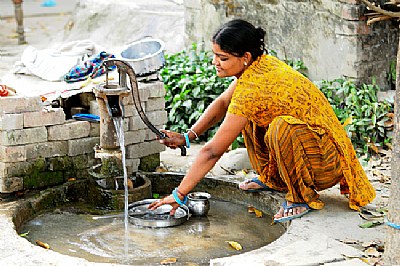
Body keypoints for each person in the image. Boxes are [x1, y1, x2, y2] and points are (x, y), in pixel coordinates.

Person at [148, 19, 376, 223]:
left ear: (245, 57)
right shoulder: (258, 66)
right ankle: (275, 177)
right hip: (311, 149)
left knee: (281, 127)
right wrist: (188, 137)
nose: (214, 62)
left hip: (326, 163)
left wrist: (179, 194)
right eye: (214, 55)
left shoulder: (256, 86)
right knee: (249, 117)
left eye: (223, 58)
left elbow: (212, 152)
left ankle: (300, 198)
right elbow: (223, 103)